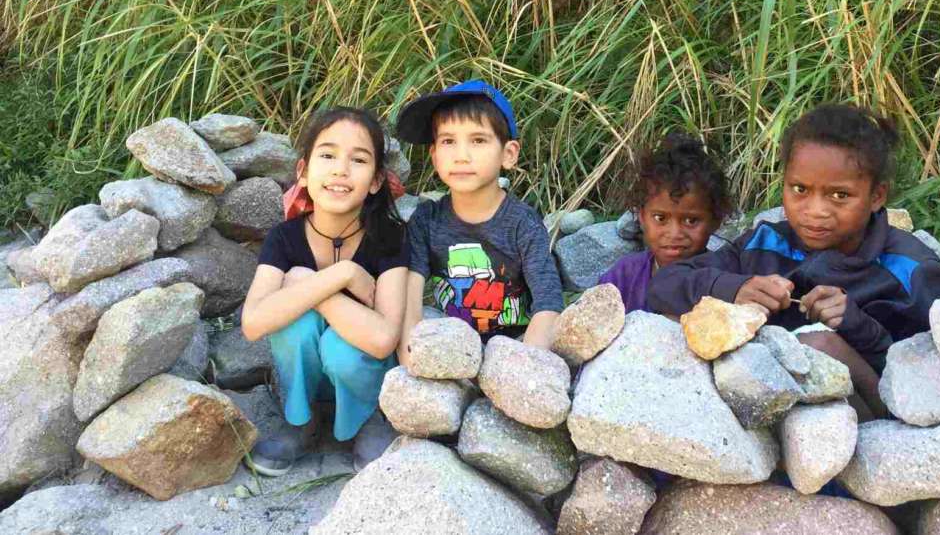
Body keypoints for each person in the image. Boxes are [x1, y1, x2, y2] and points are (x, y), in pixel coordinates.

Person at [647, 104, 940, 418]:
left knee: (820, 346)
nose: (815, 210)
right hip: (755, 407)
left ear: (877, 196)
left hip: (866, 419)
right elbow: (664, 284)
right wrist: (733, 288)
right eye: (800, 189)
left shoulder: (911, 269)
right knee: (675, 323)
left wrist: (857, 326)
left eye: (839, 195)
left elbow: (936, 379)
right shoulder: (763, 244)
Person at [241, 107, 410, 475]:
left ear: (377, 180)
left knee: (341, 346)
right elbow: (253, 323)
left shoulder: (389, 239)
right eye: (328, 155)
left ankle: (367, 420)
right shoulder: (284, 239)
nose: (340, 170)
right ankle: (302, 421)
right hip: (310, 381)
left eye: (359, 160)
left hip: (365, 375)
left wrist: (306, 283)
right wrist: (341, 275)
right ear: (303, 171)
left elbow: (383, 339)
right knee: (293, 324)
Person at [395, 80, 562, 361]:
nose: (461, 156)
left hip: (513, 344)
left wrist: (525, 367)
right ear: (435, 156)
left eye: (478, 140)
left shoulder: (522, 223)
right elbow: (410, 296)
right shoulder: (427, 220)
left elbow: (548, 302)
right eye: (448, 141)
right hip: (453, 347)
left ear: (508, 154)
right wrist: (411, 357)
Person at [598, 132, 732, 313]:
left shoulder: (724, 280)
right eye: (660, 218)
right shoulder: (623, 277)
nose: (675, 233)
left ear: (716, 220)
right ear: (641, 216)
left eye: (691, 220)